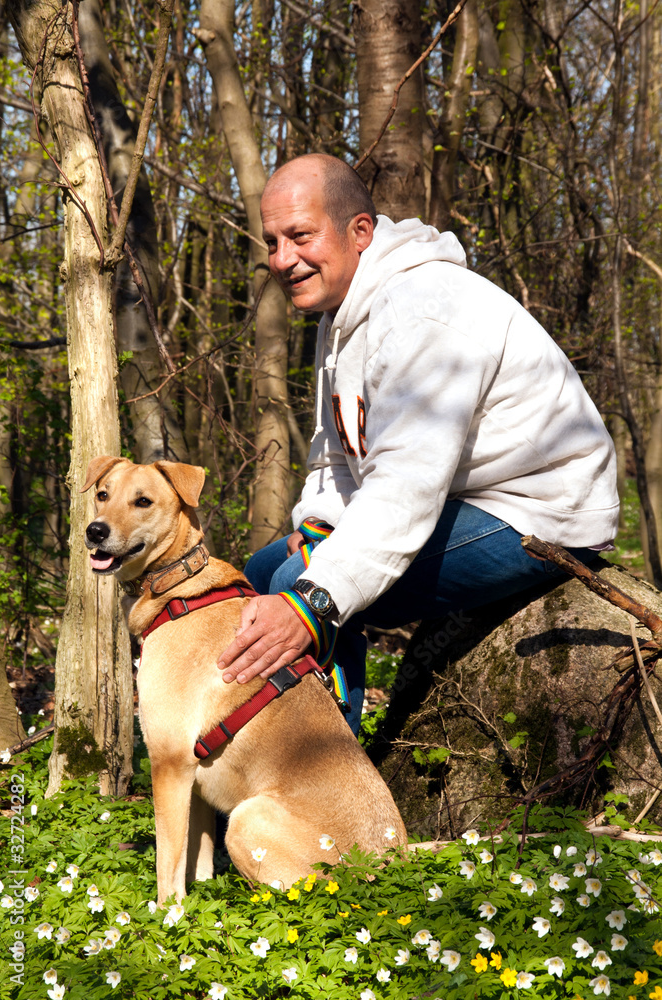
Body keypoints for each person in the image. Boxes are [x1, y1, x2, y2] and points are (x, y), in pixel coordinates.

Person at [217, 153, 619, 735]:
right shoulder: (344, 311)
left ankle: (325, 796)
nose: (283, 260)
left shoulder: (423, 310)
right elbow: (337, 454)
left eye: (300, 236)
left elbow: (407, 487)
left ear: (360, 232)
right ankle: (254, 763)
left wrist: (315, 598)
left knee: (298, 593)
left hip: (540, 509)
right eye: (272, 241)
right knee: (260, 570)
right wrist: (316, 533)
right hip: (461, 498)